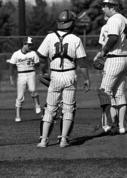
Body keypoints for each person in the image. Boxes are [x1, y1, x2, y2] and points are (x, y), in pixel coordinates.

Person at [36, 9, 90, 148]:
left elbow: (41, 56)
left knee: (50, 109)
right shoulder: (76, 39)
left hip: (55, 75)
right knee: (68, 109)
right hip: (70, 75)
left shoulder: (49, 37)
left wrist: (43, 71)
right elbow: (82, 62)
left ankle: (43, 140)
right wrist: (86, 79)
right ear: (71, 24)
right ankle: (64, 140)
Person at [94, 0, 127, 134]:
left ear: (110, 6)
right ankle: (122, 127)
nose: (102, 9)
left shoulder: (113, 20)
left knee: (104, 92)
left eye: (103, 6)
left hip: (114, 59)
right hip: (125, 59)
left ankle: (108, 125)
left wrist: (102, 53)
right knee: (119, 93)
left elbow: (112, 38)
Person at [8, 36, 41, 122]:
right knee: (20, 97)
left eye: (31, 45)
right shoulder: (16, 54)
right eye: (29, 45)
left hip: (31, 73)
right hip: (21, 75)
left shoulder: (33, 53)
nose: (30, 46)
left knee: (33, 90)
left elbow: (37, 64)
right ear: (24, 44)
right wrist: (11, 78)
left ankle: (37, 104)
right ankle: (18, 116)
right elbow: (11, 67)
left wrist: (40, 73)